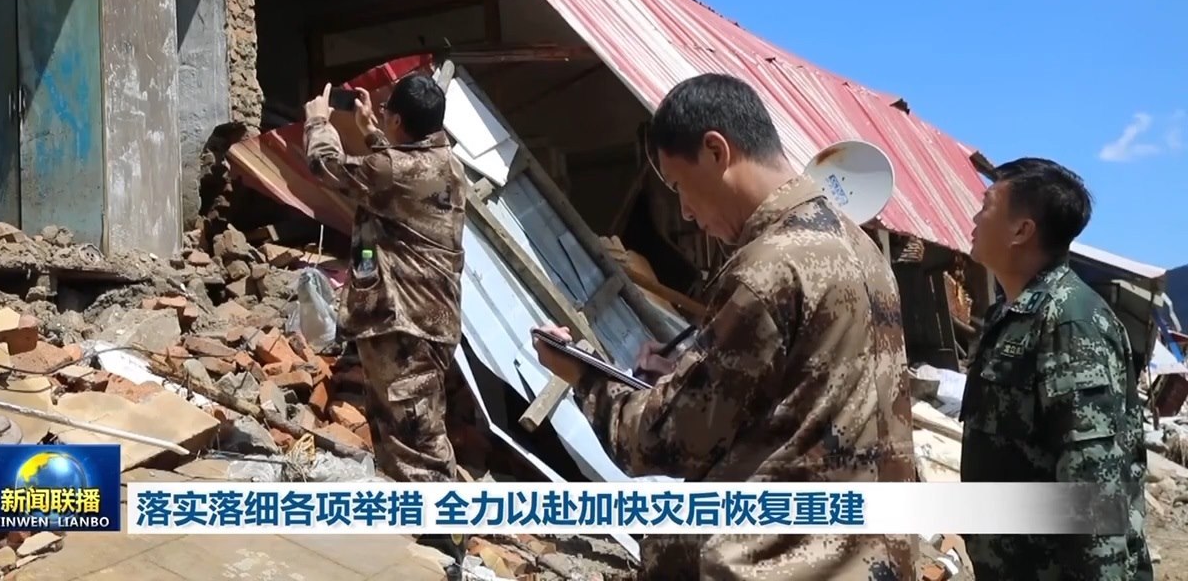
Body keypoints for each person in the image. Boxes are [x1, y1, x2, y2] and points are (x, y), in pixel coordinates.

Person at [532, 72, 917, 580]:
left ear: (716, 151)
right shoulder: (859, 247)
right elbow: (810, 394)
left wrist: (583, 376)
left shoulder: (769, 267)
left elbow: (665, 442)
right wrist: (693, 373)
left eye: (679, 186)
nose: (687, 212)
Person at [960, 157, 1152, 580]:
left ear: (1021, 230)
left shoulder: (1070, 321)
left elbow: (1093, 478)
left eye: (987, 205)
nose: (974, 217)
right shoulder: (1009, 315)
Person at [303, 74, 465, 482]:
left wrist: (318, 121)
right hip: (425, 320)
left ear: (397, 121)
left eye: (388, 112)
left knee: (417, 448)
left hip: (405, 326)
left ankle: (441, 518)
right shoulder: (447, 162)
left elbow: (328, 167)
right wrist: (371, 130)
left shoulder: (392, 171)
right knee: (403, 435)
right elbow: (399, 166)